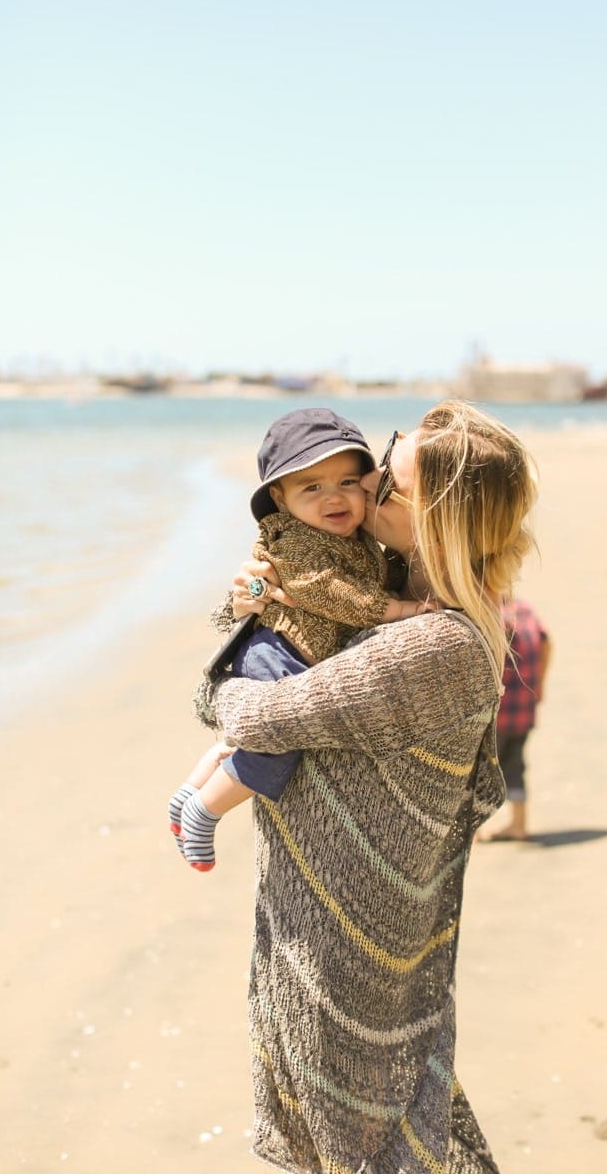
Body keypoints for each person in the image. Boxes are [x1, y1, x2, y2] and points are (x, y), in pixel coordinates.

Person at [205, 400, 537, 1173]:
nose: (371, 483)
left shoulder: (438, 642)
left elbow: (250, 710)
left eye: (388, 480)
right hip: (321, 925)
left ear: (439, 518)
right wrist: (252, 604)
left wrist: (236, 668)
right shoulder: (396, 597)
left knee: (374, 1148)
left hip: (350, 957)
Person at [168, 408, 433, 870]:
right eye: (312, 487)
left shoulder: (357, 540)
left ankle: (190, 793)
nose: (334, 498)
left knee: (254, 740)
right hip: (281, 652)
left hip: (295, 652)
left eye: (348, 482)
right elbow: (334, 594)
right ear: (280, 497)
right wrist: (403, 610)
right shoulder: (298, 543)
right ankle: (205, 810)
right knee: (276, 748)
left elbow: (374, 577)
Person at [475, 599, 551, 842]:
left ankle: (472, 831)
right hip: (524, 708)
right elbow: (547, 643)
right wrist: (540, 683)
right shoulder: (525, 610)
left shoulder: (486, 615)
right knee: (515, 764)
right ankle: (519, 824)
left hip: (499, 714)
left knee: (479, 771)